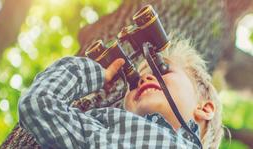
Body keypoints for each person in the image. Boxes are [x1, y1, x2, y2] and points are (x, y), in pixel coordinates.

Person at [18, 37, 224, 149]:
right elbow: (39, 104)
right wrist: (94, 75)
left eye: (162, 69)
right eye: (133, 83)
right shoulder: (102, 131)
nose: (143, 79)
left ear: (205, 108)